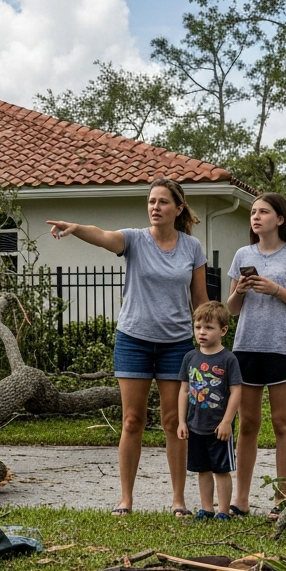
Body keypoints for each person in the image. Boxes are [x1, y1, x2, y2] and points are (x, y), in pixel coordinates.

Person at [47, 178, 208, 516]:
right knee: (132, 420)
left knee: (173, 421)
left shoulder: (191, 248)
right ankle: (126, 499)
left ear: (178, 209)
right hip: (133, 340)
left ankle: (178, 501)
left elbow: (200, 300)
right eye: (151, 201)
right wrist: (75, 228)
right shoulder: (134, 240)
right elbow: (103, 236)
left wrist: (209, 338)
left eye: (163, 202)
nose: (155, 207)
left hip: (176, 344)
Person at [226, 193, 286, 519]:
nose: (255, 217)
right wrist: (238, 291)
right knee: (248, 424)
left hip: (282, 348)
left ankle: (281, 501)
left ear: (279, 219)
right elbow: (231, 311)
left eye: (263, 211)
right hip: (245, 347)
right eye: (253, 212)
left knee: (282, 423)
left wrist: (276, 289)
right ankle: (240, 500)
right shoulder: (242, 254)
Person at [177, 301, 243, 520]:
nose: (202, 332)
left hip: (218, 428)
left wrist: (227, 422)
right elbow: (184, 390)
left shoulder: (228, 359)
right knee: (202, 469)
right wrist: (182, 422)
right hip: (195, 425)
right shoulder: (190, 357)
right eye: (198, 327)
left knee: (221, 470)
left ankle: (223, 511)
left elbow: (236, 392)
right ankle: (206, 508)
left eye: (208, 327)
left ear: (223, 330)